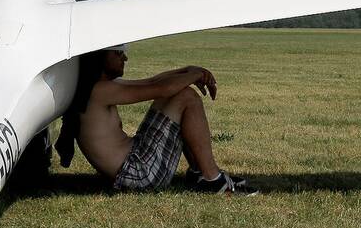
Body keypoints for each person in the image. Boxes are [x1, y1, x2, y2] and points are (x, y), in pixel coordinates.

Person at [55, 44, 257, 195]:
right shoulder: (99, 91)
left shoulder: (96, 88)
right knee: (186, 96)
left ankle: (200, 173)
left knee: (176, 95)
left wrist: (189, 70)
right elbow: (162, 88)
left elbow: (153, 81)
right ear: (99, 57)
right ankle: (213, 179)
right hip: (138, 174)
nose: (125, 57)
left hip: (133, 165)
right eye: (118, 52)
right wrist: (195, 74)